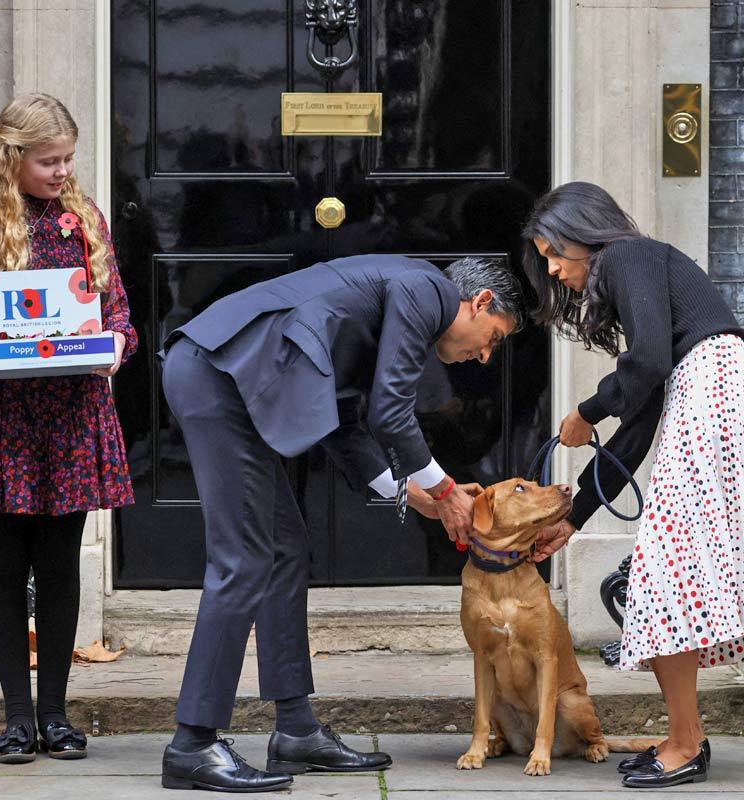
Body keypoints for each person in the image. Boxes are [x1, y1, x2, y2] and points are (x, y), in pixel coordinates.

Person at [158, 255, 524, 793]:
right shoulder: (426, 290)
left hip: (227, 378)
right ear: (480, 302)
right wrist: (446, 492)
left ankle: (296, 731)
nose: (485, 355)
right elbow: (392, 411)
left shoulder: (397, 301)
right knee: (245, 560)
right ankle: (191, 744)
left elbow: (347, 416)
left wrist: (409, 493)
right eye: (493, 337)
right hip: (219, 376)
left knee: (285, 550)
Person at [525, 181, 744, 789]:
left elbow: (643, 366)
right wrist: (574, 518)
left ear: (583, 235)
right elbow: (639, 422)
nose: (552, 267)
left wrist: (587, 410)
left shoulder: (629, 257)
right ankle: (683, 737)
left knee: (669, 577)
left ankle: (686, 742)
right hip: (712, 402)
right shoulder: (642, 274)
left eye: (553, 252)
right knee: (674, 580)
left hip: (712, 403)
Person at [0, 94, 136, 763]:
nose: (61, 170)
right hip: (2, 419)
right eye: (49, 160)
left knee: (60, 565)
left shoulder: (83, 219)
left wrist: (116, 345)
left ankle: (56, 714)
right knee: (4, 562)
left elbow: (120, 315)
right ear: (13, 157)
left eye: (68, 158)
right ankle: (16, 718)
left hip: (72, 418)